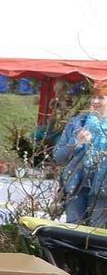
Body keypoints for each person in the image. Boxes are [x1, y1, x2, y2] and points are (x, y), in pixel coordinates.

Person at [54, 81, 107, 226]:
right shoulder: (77, 123)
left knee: (97, 232)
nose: (95, 101)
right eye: (93, 97)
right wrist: (76, 142)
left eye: (101, 98)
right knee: (73, 229)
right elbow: (58, 157)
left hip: (103, 189)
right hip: (76, 186)